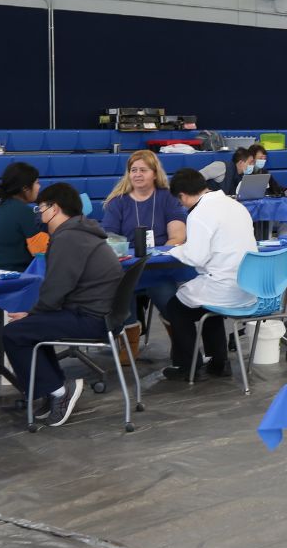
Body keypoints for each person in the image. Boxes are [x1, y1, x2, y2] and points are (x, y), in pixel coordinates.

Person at [1, 183, 123, 427]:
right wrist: (35, 316)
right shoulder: (83, 232)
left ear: (54, 208)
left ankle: (59, 390)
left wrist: (32, 314)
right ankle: (53, 389)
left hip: (91, 319)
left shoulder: (68, 237)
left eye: (41, 208)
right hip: (102, 315)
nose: (39, 214)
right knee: (32, 328)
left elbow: (56, 288)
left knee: (14, 333)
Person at [163, 168, 258, 380]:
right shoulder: (235, 205)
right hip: (249, 287)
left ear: (182, 196)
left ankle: (188, 366)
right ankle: (219, 362)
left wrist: (176, 250)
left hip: (225, 287)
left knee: (176, 308)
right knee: (204, 303)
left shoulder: (199, 214)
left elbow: (196, 257)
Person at [102, 150, 188, 353]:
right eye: (133, 170)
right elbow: (109, 238)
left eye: (143, 170)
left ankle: (181, 345)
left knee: (166, 294)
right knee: (123, 293)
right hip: (126, 267)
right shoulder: (118, 202)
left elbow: (177, 235)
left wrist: (158, 255)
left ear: (154, 173)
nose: (137, 174)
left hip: (157, 267)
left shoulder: (168, 198)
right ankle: (128, 345)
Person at [0, 162, 42, 271]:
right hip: (16, 275)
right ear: (25, 188)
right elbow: (41, 252)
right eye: (37, 183)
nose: (39, 187)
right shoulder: (25, 212)